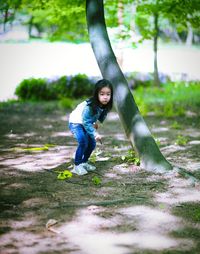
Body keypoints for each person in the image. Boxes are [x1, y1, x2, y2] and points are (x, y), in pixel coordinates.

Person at [68, 79, 113, 175]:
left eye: (108, 94)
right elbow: (85, 121)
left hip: (86, 122)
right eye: (102, 94)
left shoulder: (105, 105)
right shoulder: (90, 106)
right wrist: (95, 133)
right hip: (76, 122)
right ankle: (77, 165)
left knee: (92, 143)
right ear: (96, 94)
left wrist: (95, 122)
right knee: (83, 141)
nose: (105, 97)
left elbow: (97, 116)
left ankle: (84, 162)